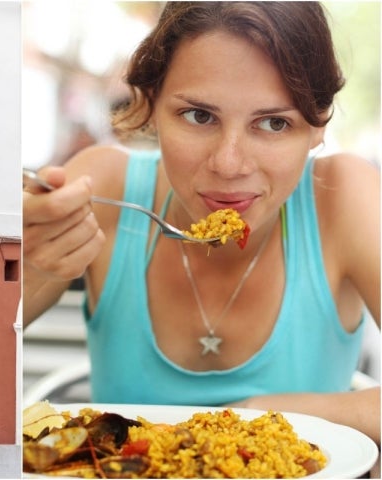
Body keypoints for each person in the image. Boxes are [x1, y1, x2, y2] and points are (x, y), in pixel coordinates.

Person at [23, 0, 380, 447]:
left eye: (273, 123)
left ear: (319, 122)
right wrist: (23, 271)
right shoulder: (102, 188)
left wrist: (263, 417)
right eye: (199, 116)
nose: (229, 165)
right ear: (150, 105)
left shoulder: (344, 198)